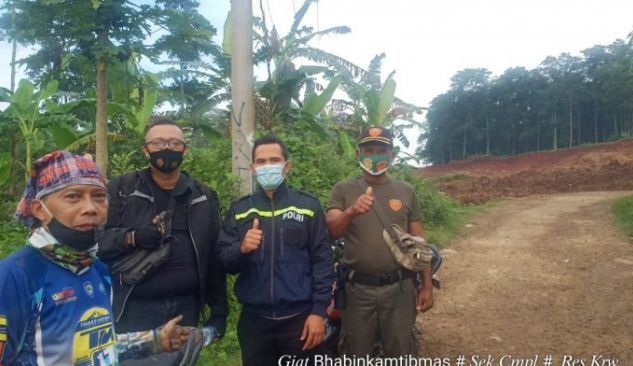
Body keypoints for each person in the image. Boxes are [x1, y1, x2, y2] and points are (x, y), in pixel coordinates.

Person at [0, 150, 190, 366]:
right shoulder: (16, 276)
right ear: (39, 209)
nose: (91, 208)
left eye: (99, 196)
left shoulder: (96, 268)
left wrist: (155, 340)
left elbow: (98, 347)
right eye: (73, 196)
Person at [97, 116, 227, 339]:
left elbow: (213, 256)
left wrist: (219, 311)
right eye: (158, 143)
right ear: (146, 151)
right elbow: (95, 241)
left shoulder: (203, 196)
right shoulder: (122, 189)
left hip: (187, 307)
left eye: (174, 143)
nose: (166, 148)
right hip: (134, 307)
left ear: (184, 150)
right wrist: (132, 237)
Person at [217, 135, 335, 366]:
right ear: (252, 168)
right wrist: (242, 249)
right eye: (261, 162)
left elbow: (322, 261)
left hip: (300, 321)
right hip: (254, 323)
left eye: (274, 160)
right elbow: (224, 262)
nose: (267, 166)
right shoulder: (241, 210)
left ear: (286, 166)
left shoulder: (308, 206)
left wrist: (318, 313)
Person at [326, 126, 434, 357]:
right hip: (357, 291)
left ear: (391, 155)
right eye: (369, 149)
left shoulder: (406, 191)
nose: (375, 155)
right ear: (358, 154)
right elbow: (331, 231)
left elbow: (419, 242)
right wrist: (351, 211)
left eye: (381, 150)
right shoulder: (343, 189)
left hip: (400, 289)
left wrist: (426, 285)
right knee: (354, 354)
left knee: (402, 351)